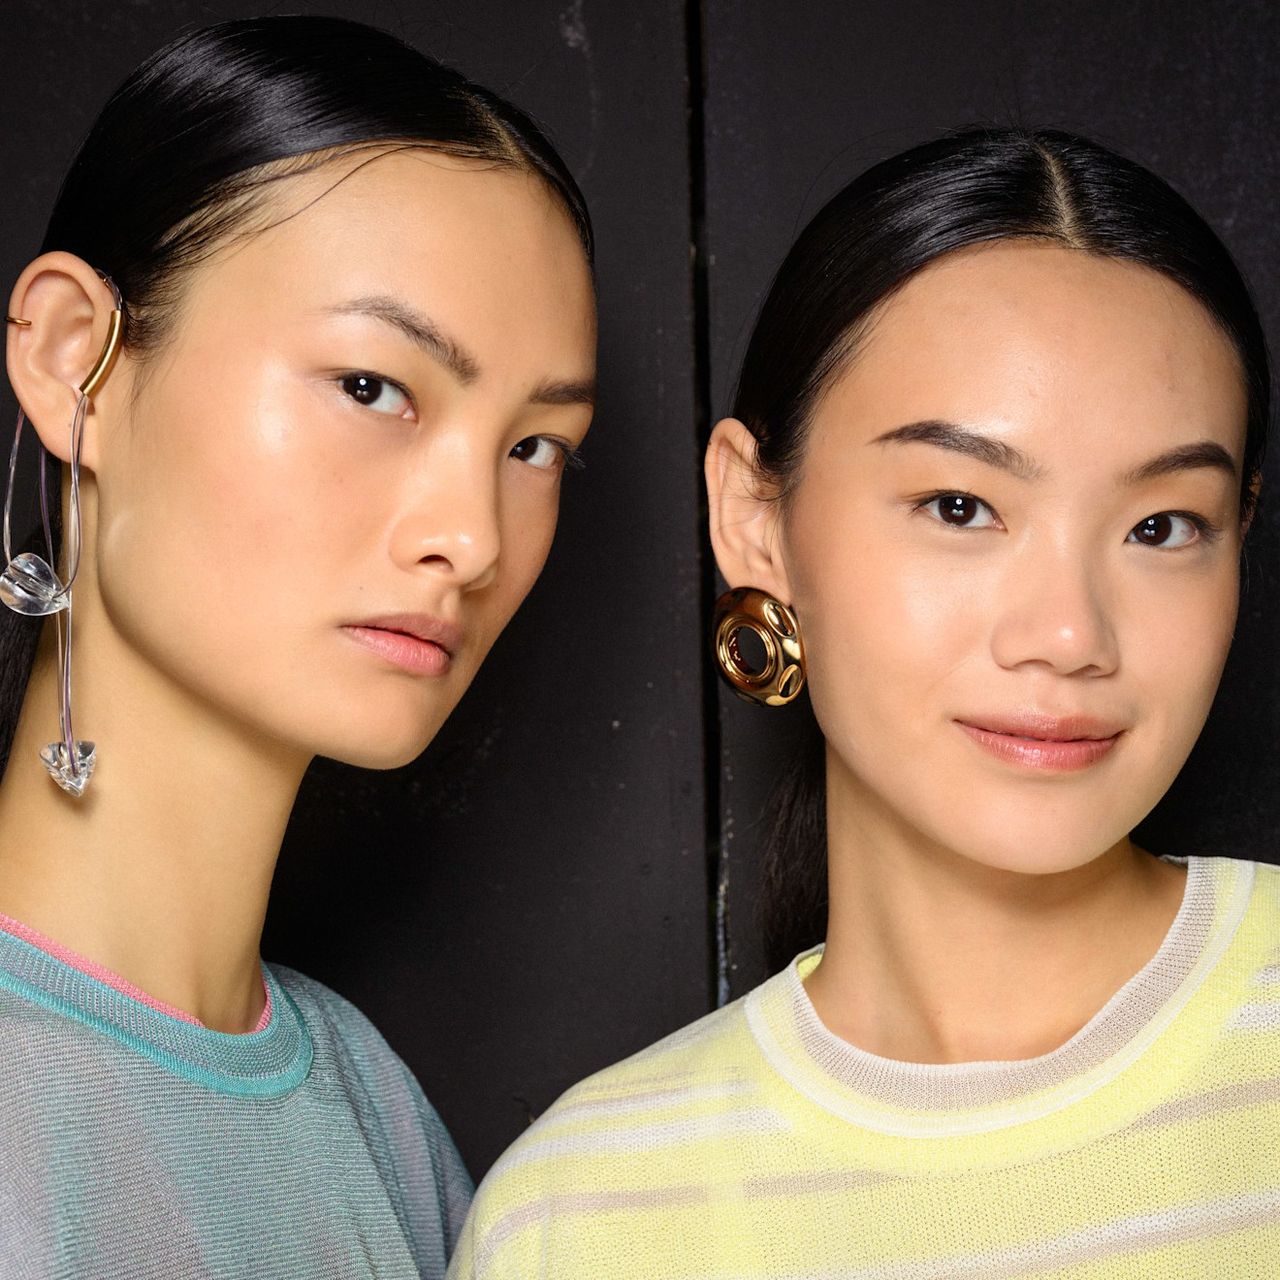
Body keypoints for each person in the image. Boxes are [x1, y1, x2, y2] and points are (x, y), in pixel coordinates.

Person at [450, 127, 1278, 1277]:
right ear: (753, 517)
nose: (1067, 636)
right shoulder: (582, 1214)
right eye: (956, 505)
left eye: (1160, 526)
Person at [0, 15, 595, 1279]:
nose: (471, 536)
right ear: (78, 364)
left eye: (533, 445)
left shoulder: (373, 1111)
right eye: (374, 387)